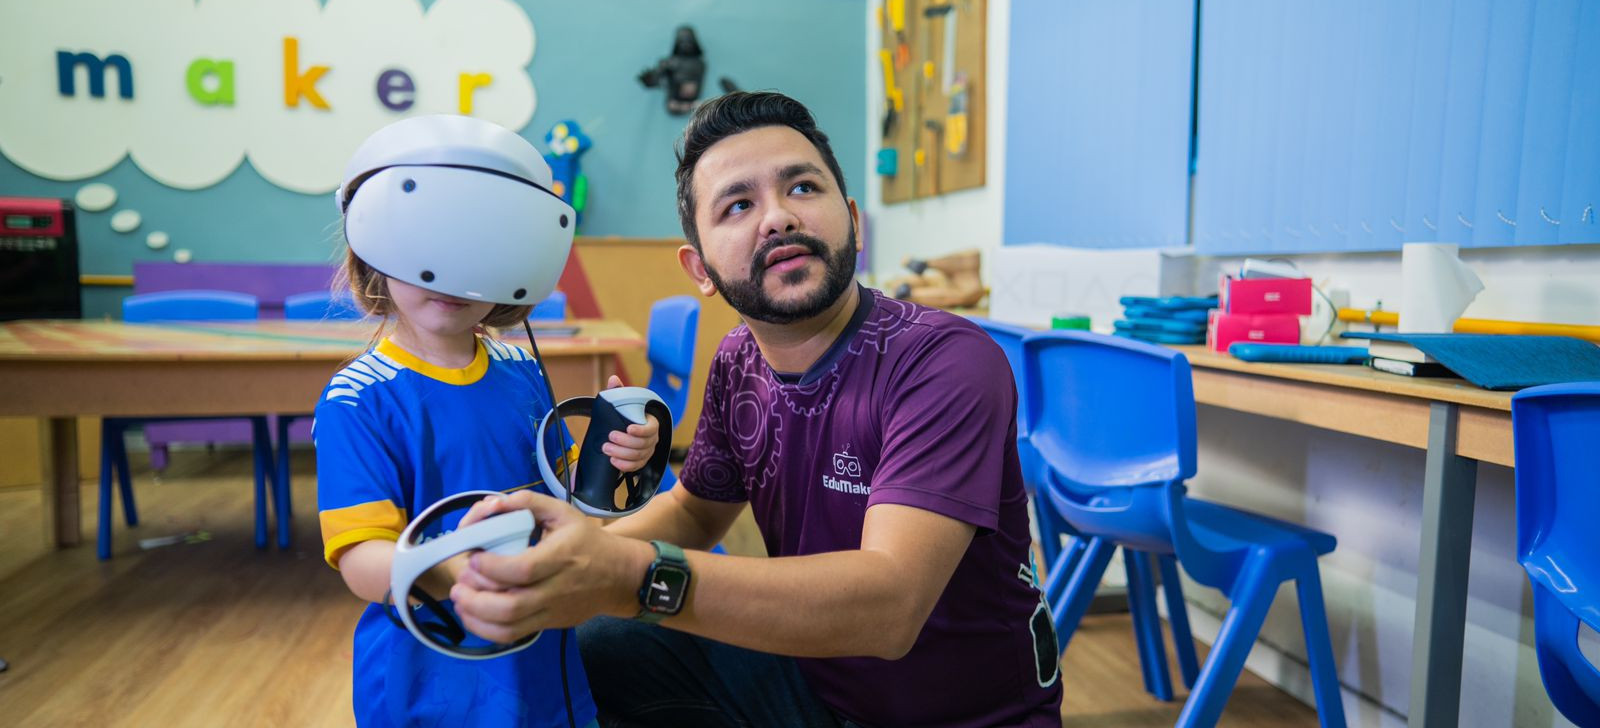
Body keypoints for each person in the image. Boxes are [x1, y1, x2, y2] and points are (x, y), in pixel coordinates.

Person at [450, 92, 1063, 727]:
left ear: (851, 218)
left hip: (964, 718)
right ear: (701, 269)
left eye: (802, 187)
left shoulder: (945, 360)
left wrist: (627, 571)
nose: (777, 218)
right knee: (597, 641)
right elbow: (694, 510)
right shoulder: (740, 359)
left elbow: (890, 606)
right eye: (739, 205)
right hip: (813, 684)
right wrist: (553, 562)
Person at [313, 114, 661, 728]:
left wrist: (618, 459)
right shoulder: (358, 398)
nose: (452, 272)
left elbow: (571, 501)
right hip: (433, 675)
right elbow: (362, 559)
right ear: (372, 249)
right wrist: (463, 575)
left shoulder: (520, 367)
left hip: (540, 656)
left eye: (481, 246)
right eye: (426, 246)